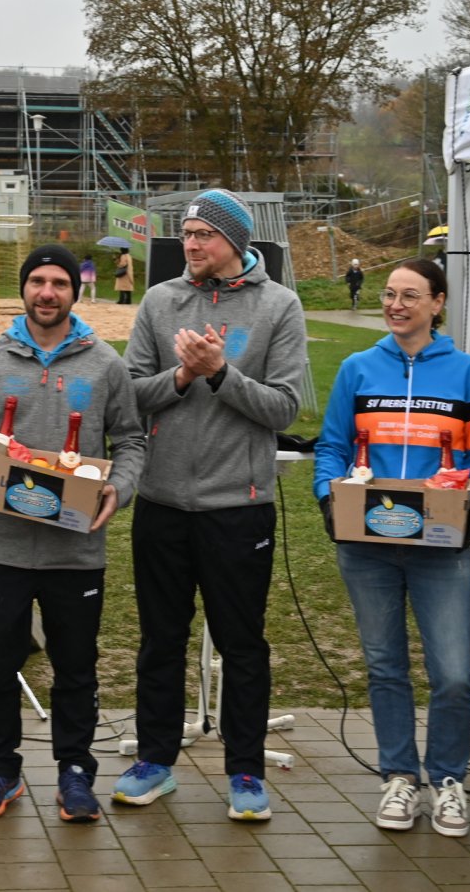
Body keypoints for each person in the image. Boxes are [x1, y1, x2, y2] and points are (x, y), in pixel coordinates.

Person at [112, 188, 308, 820]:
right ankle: (155, 762)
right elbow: (129, 395)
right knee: (160, 641)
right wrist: (181, 377)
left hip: (238, 507)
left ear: (235, 241)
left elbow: (285, 408)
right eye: (187, 233)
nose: (190, 244)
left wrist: (222, 373)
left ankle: (245, 771)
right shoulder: (160, 300)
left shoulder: (279, 305)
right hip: (162, 502)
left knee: (242, 645)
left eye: (203, 234)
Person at [0, 244, 145, 822]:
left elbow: (131, 439)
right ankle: (0, 768)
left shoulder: (105, 363)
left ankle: (75, 772)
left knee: (75, 666)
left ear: (74, 293)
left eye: (59, 283)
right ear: (24, 289)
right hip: (1, 546)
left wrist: (118, 488)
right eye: (37, 282)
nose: (47, 293)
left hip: (75, 551)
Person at [314, 257, 470, 837]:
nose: (395, 305)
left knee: (454, 674)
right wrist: (327, 497)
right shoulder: (358, 368)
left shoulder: (468, 372)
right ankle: (398, 776)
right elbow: (332, 446)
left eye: (410, 295)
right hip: (367, 545)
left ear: (437, 303)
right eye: (389, 294)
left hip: (439, 546)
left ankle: (447, 780)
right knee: (386, 667)